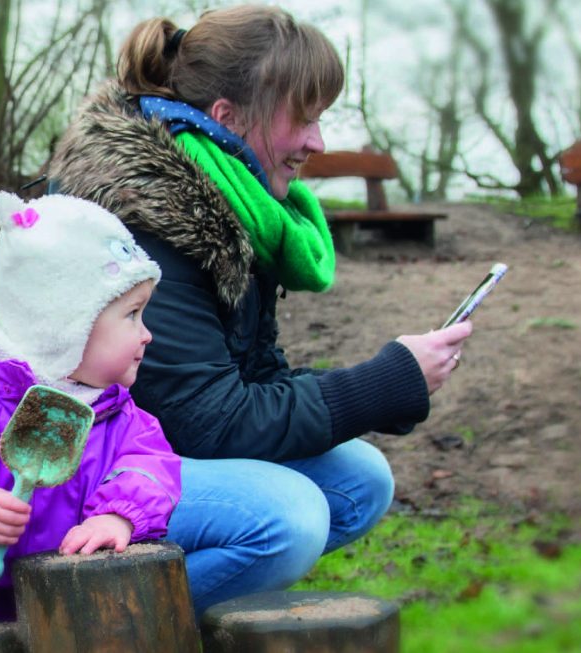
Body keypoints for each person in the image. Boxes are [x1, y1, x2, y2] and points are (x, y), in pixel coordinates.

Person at [46, 5, 473, 617]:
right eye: (303, 118)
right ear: (227, 117)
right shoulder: (148, 219)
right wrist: (379, 386)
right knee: (289, 518)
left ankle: (164, 610)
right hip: (65, 465)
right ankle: (79, 618)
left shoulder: (234, 200)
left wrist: (393, 384)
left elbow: (255, 382)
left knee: (360, 481)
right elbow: (210, 424)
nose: (317, 142)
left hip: (147, 454)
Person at [0, 191, 180, 623]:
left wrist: (119, 517)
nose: (146, 334)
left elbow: (150, 469)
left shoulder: (122, 418)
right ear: (65, 327)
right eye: (132, 314)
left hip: (69, 613)